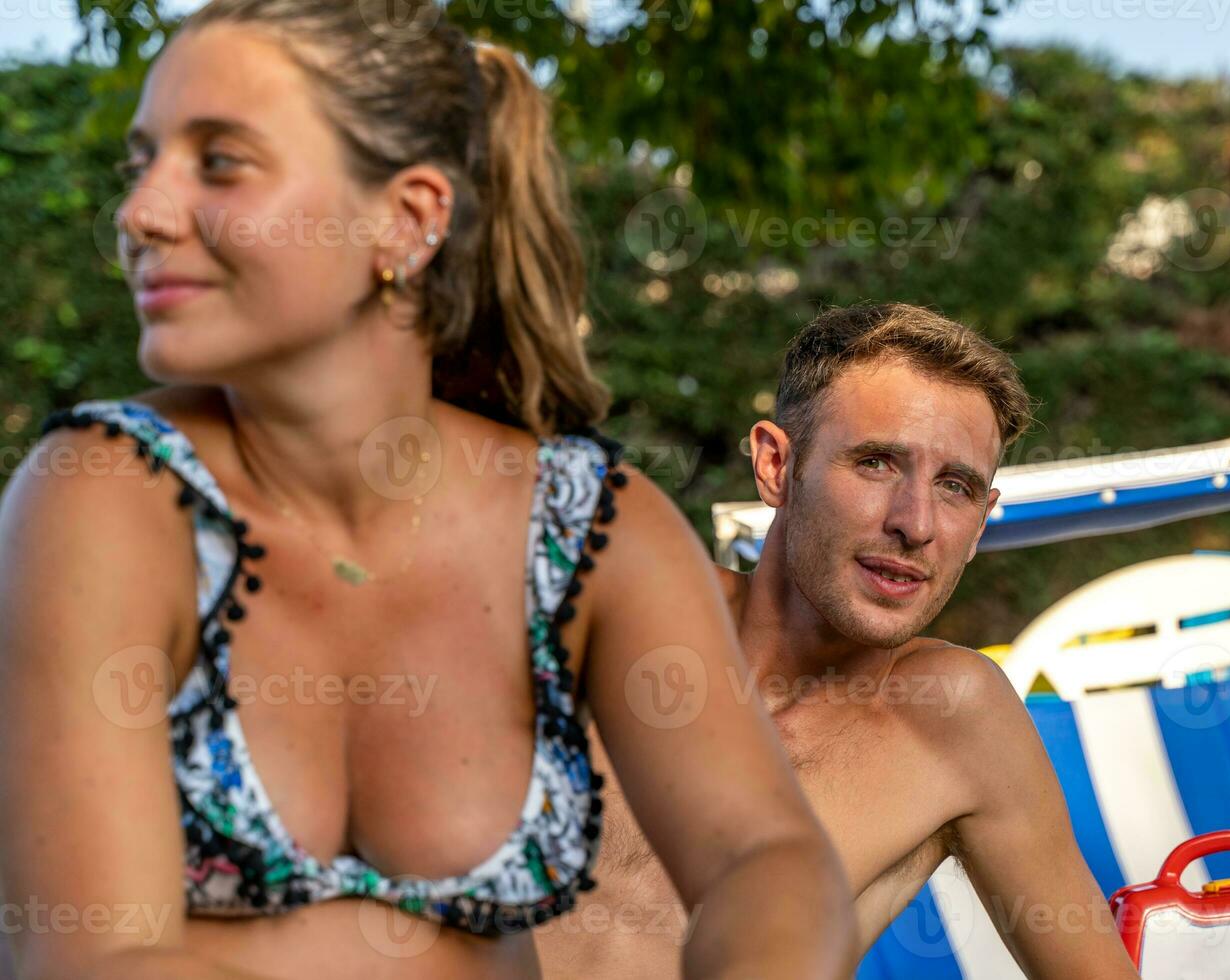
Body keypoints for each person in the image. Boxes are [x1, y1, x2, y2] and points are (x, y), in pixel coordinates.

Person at [0, 3, 856, 978]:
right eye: (142, 161)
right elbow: (93, 957)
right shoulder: (105, 496)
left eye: (220, 161)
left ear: (406, 219)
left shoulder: (588, 529)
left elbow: (768, 856)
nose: (141, 212)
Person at [535, 303, 1142, 979]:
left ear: (980, 525)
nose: (916, 524)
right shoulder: (611, 613)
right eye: (877, 462)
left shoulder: (955, 722)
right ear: (775, 466)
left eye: (955, 486)